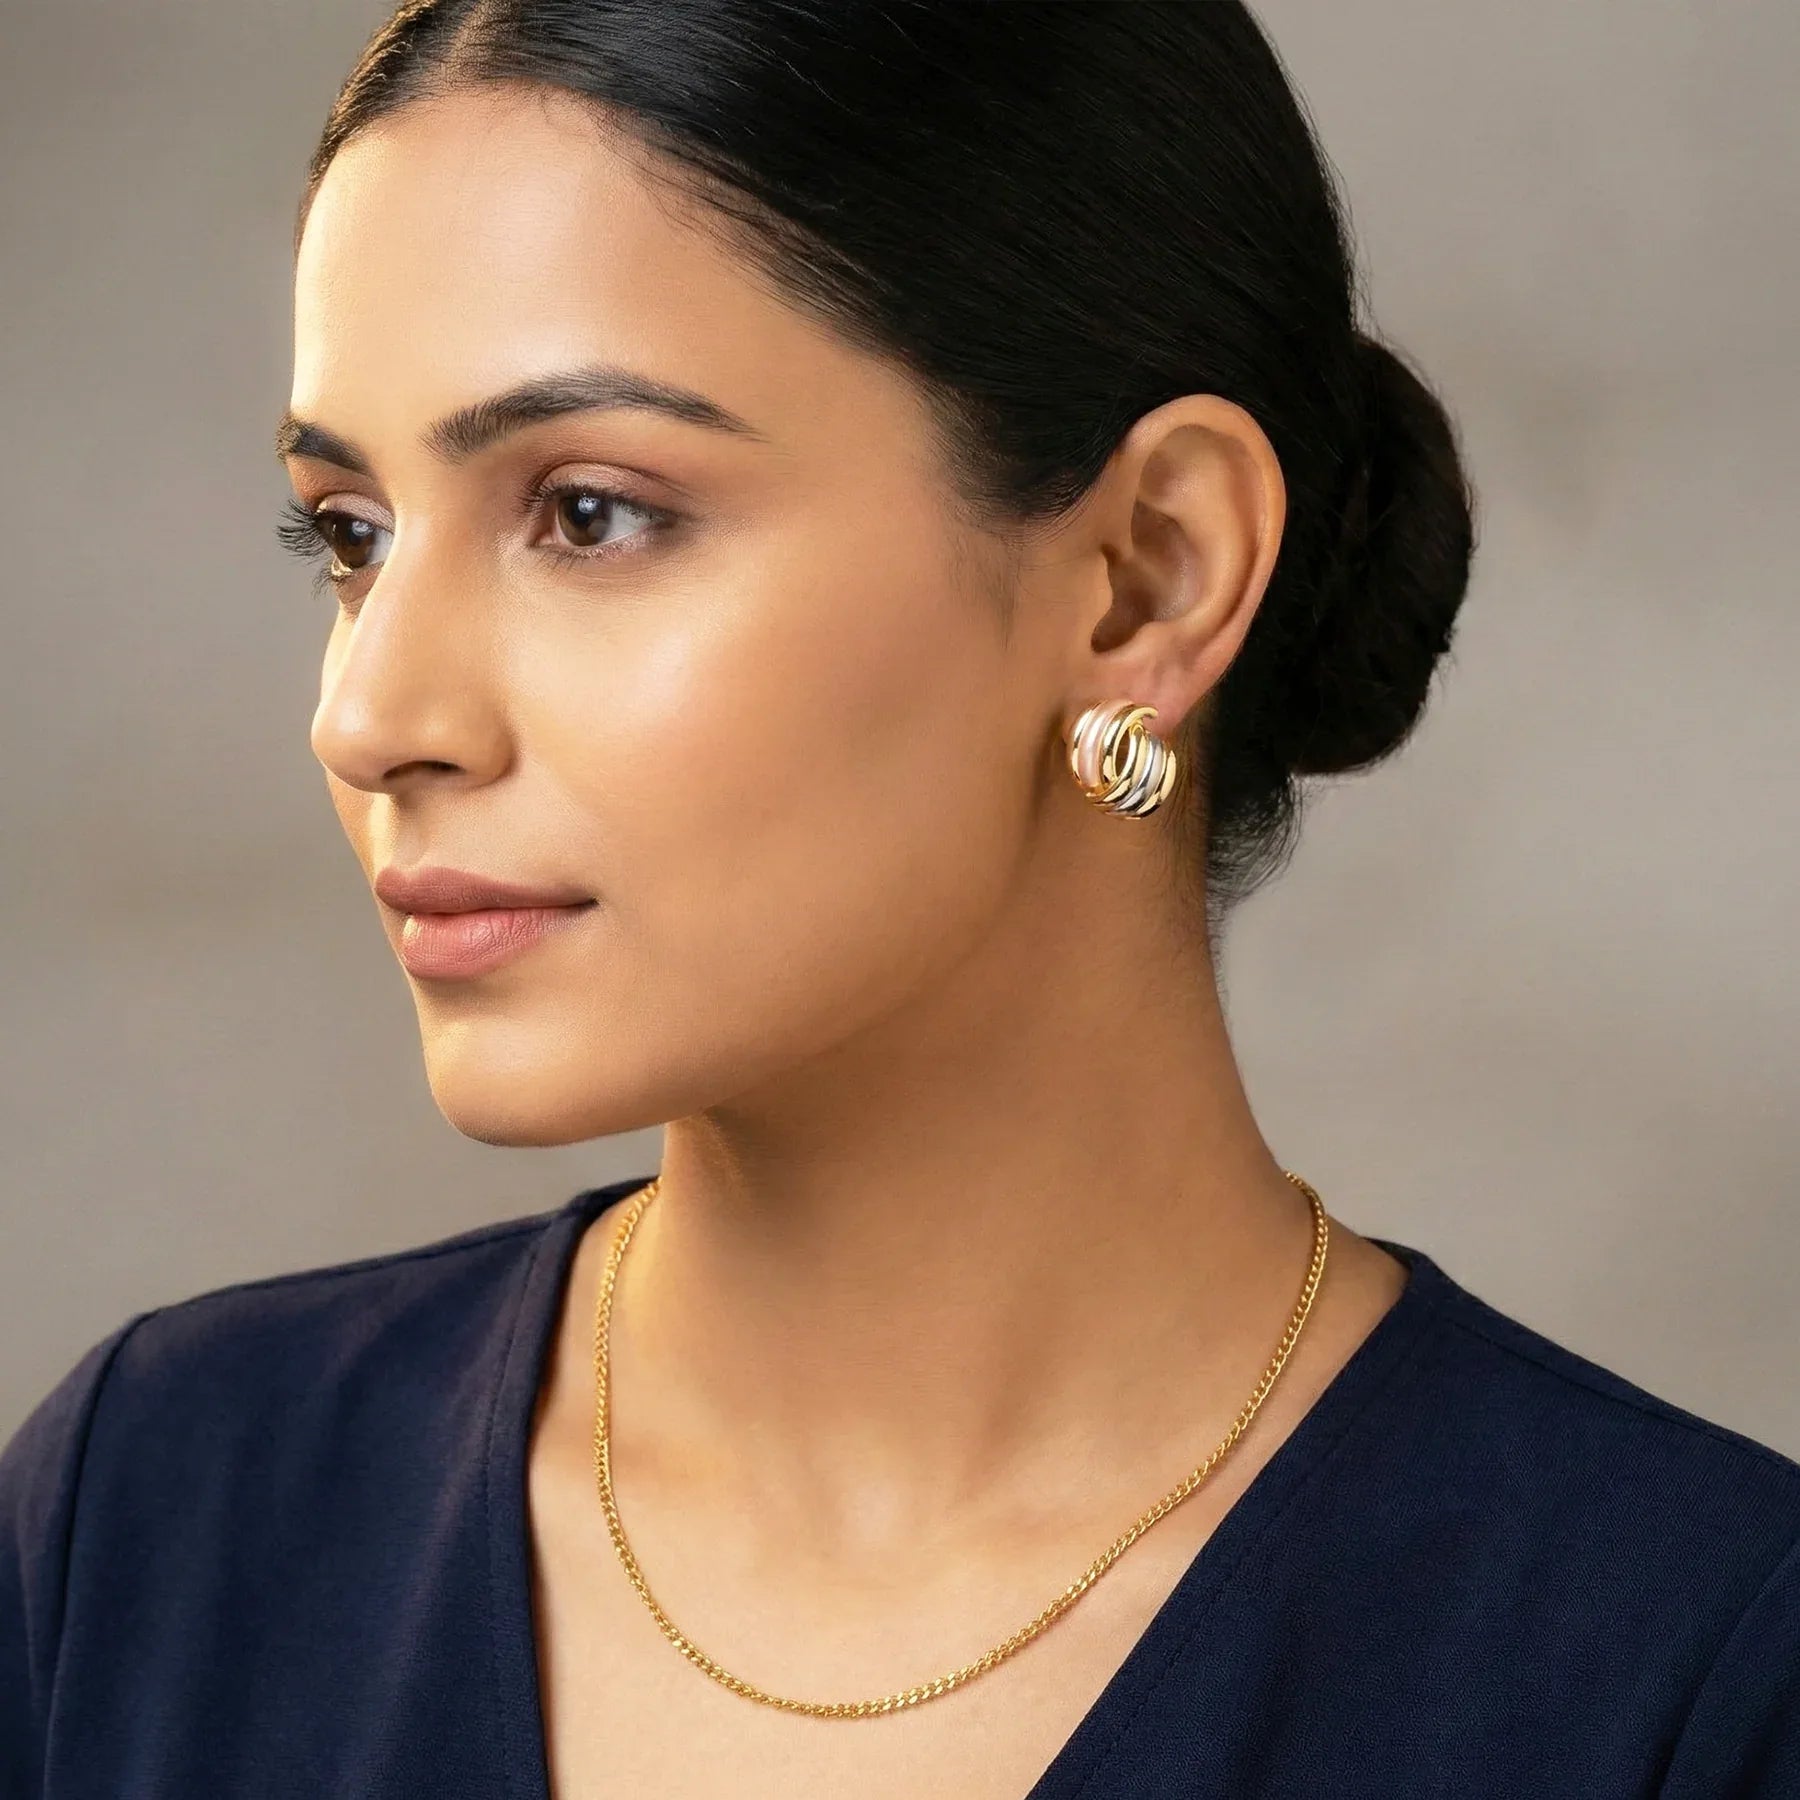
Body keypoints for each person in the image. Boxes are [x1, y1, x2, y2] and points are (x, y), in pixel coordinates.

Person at [3, 3, 1796, 1794]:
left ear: (1145, 578)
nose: (371, 716)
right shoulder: (147, 1520)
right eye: (350, 532)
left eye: (595, 513)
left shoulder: (1690, 1675)